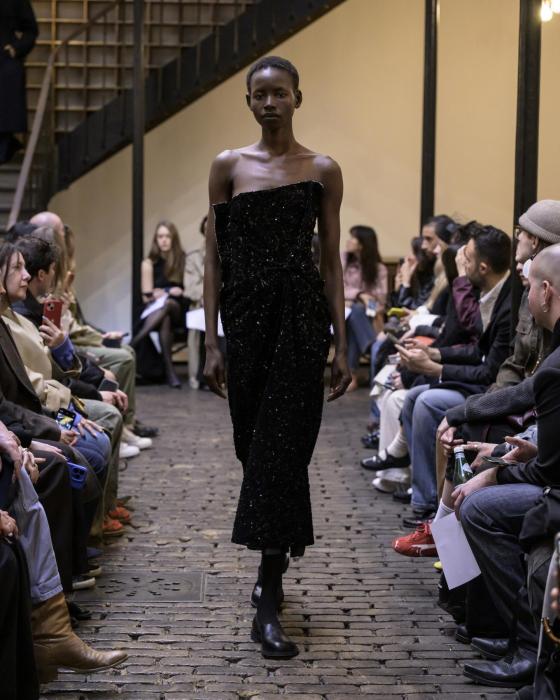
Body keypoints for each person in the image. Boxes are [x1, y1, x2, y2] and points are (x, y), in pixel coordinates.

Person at [203, 55, 351, 659]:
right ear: (248, 100)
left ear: (297, 98)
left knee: (282, 450)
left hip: (300, 321)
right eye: (260, 94)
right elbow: (213, 259)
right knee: (253, 449)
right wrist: (212, 340)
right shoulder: (227, 166)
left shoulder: (322, 169)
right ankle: (278, 548)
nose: (270, 103)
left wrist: (342, 342)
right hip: (245, 322)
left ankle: (266, 593)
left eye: (280, 93)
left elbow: (331, 260)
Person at [131, 221, 187, 388]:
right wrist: (169, 290)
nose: (164, 240)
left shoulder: (182, 259)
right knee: (165, 320)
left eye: (168, 236)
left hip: (178, 309)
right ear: (155, 239)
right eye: (160, 236)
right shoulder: (148, 263)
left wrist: (164, 292)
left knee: (168, 304)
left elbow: (184, 291)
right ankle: (170, 372)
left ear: (174, 238)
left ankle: (134, 342)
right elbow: (147, 297)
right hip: (155, 310)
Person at [342, 225, 387, 390]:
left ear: (362, 244)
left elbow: (380, 300)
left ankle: (351, 375)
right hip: (342, 311)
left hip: (370, 312)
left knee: (356, 313)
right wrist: (360, 295)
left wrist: (365, 303)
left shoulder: (379, 268)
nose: (348, 241)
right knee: (355, 312)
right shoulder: (343, 259)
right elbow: (337, 287)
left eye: (353, 238)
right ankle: (374, 348)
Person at [0, 0, 38, 164]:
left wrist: (16, 49)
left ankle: (6, 148)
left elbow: (31, 29)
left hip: (3, 61)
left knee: (4, 118)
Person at [184, 216, 206, 389]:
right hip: (199, 305)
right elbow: (190, 288)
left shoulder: (230, 254)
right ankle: (198, 376)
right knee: (197, 334)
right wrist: (205, 296)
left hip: (225, 304)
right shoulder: (194, 258)